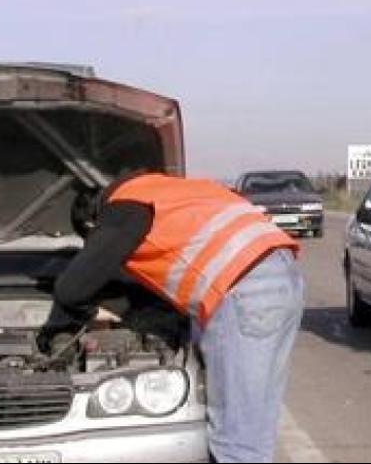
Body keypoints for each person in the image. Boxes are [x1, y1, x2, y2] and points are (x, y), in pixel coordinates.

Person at [40, 170, 303, 463]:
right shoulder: (164, 190)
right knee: (254, 423)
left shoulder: (124, 205)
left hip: (243, 289)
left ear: (92, 222)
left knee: (237, 442)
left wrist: (68, 322)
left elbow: (71, 289)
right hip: (279, 272)